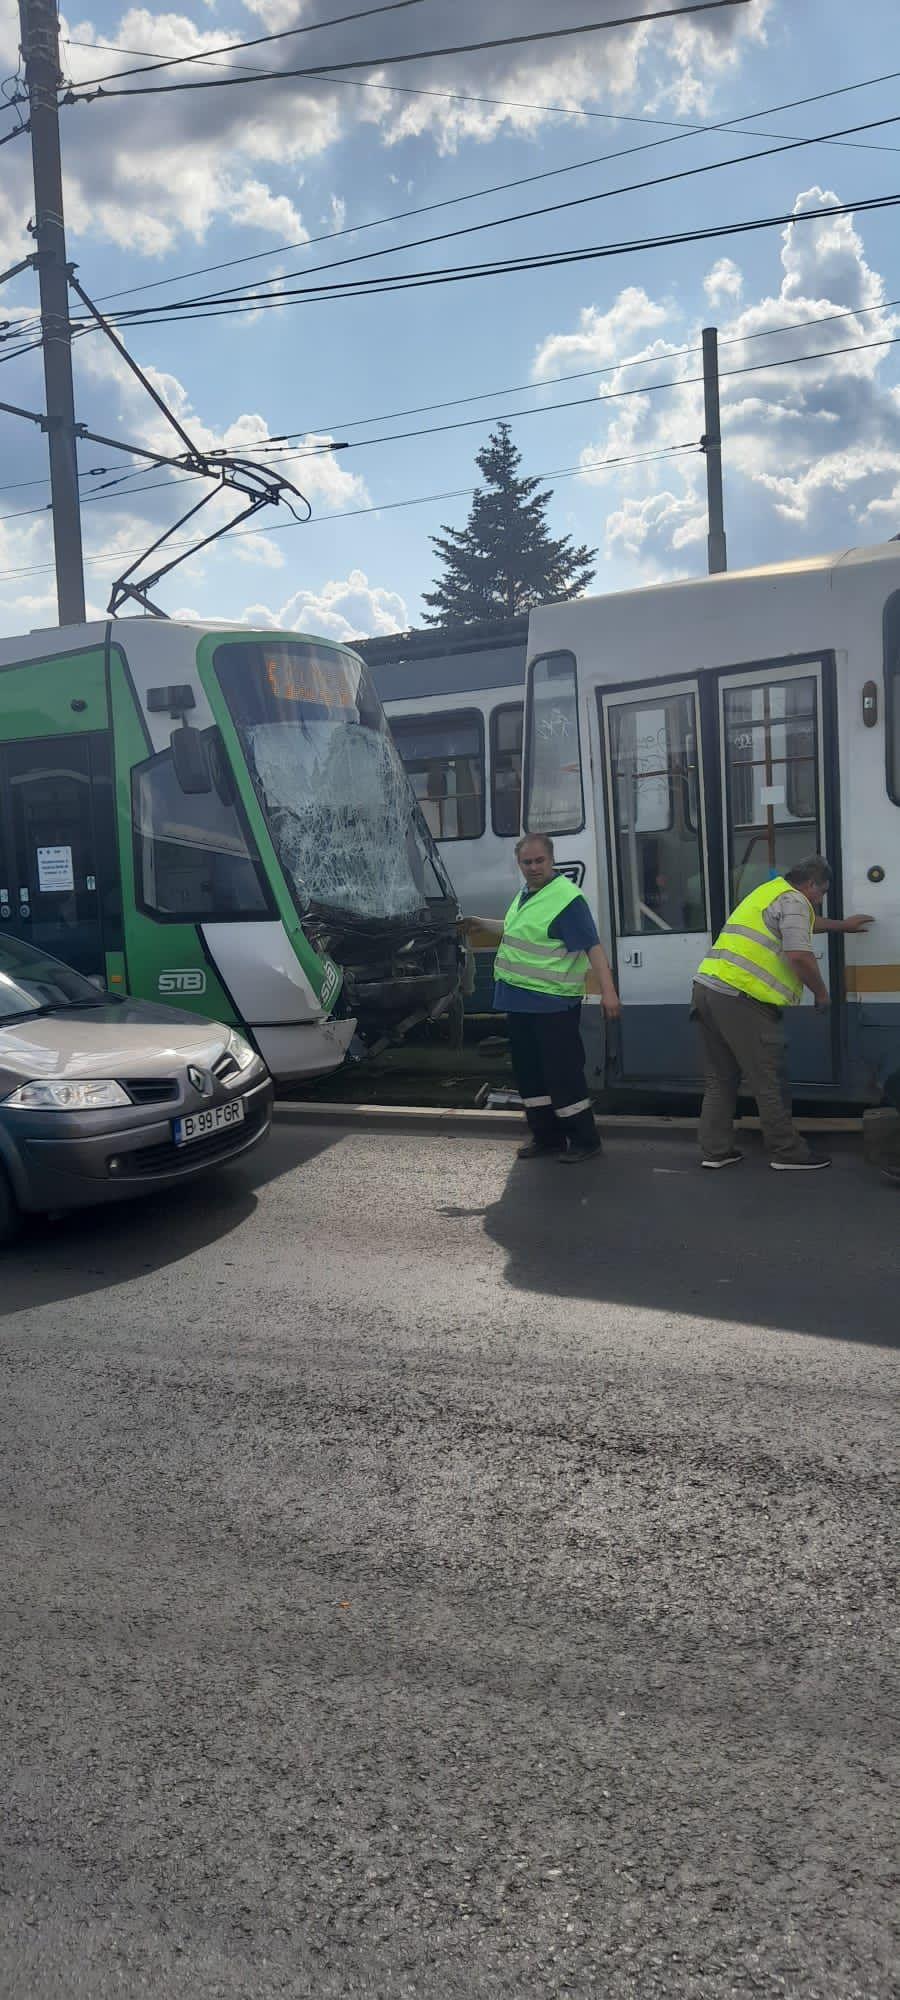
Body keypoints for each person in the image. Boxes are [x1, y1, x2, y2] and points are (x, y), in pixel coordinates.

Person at [692, 856, 873, 1173]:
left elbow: (804, 924)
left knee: (720, 1078)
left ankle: (715, 1150)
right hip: (742, 998)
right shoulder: (796, 901)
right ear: (811, 884)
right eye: (822, 892)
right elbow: (799, 955)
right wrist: (821, 993)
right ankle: (787, 1151)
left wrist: (842, 926)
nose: (820, 900)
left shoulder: (770, 892)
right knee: (769, 1079)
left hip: (707, 990)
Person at [467, 833, 621, 1164]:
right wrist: (483, 925)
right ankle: (547, 1137)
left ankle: (585, 1140)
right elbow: (518, 931)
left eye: (540, 861)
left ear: (552, 860)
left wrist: (608, 992)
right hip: (518, 1000)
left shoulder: (566, 899)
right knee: (530, 1074)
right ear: (519, 863)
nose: (534, 867)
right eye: (527, 862)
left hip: (552, 1003)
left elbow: (592, 946)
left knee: (562, 1074)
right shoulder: (526, 894)